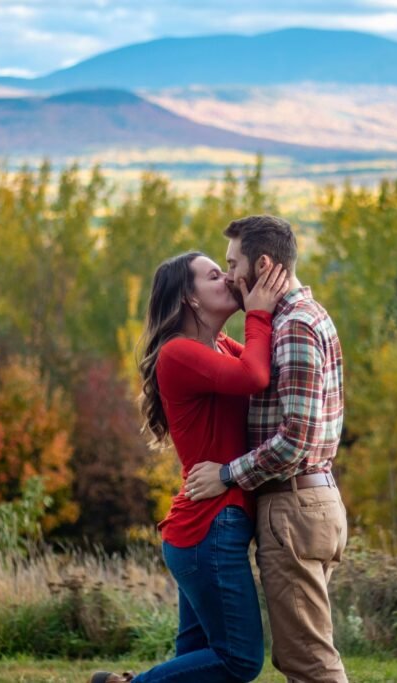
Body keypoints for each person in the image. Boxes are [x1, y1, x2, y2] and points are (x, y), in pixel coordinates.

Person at [91, 251, 290, 683]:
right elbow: (253, 378)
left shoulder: (216, 347)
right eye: (214, 276)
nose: (228, 280)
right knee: (239, 660)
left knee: (198, 658)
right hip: (210, 530)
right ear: (190, 299)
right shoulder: (177, 353)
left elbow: (265, 367)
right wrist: (257, 313)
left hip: (209, 529)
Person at [185, 215, 349, 683]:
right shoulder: (306, 317)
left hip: (293, 506)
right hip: (312, 502)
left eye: (234, 264)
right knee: (307, 652)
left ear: (262, 263)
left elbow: (296, 439)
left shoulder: (294, 326)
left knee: (308, 662)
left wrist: (226, 474)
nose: (231, 276)